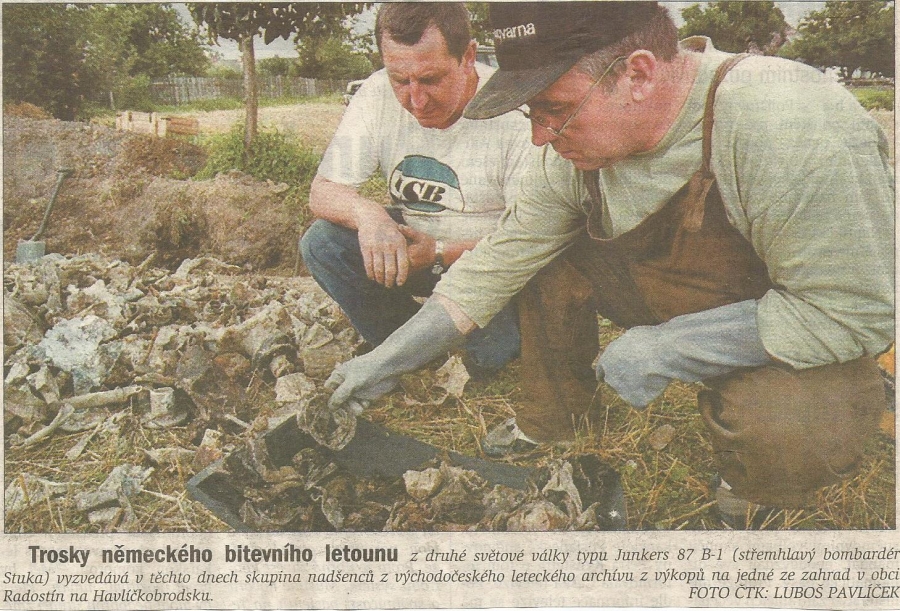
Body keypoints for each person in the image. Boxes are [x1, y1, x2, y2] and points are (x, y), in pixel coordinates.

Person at [325, 2, 894, 527]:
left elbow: (853, 311)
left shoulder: (790, 124)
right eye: (531, 111)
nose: (539, 136)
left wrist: (669, 347)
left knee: (786, 423)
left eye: (555, 110)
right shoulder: (568, 152)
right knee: (540, 254)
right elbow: (498, 261)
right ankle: (553, 418)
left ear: (638, 75)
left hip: (792, 320)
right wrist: (385, 362)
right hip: (667, 289)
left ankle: (757, 486)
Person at [301, 2, 531, 376]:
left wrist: (440, 252)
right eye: (400, 81)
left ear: (468, 56)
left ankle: (442, 345)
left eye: (431, 80)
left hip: (490, 268)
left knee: (490, 360)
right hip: (415, 252)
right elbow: (323, 190)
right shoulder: (375, 94)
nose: (416, 100)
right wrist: (369, 215)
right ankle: (410, 349)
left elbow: (531, 239)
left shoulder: (513, 113)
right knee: (323, 243)